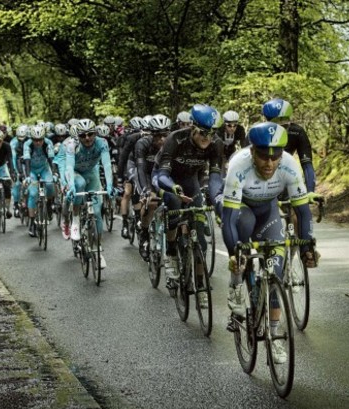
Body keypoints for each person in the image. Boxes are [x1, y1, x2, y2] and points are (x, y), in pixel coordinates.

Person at [219, 121, 316, 364]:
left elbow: (303, 212)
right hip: (241, 211)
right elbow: (229, 219)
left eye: (275, 157)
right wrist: (235, 254)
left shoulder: (289, 166)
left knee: (276, 271)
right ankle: (236, 285)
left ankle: (276, 335)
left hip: (268, 212)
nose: (270, 163)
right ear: (252, 151)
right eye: (263, 156)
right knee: (243, 234)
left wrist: (307, 248)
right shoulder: (238, 166)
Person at [154, 104, 224, 308]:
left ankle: (201, 285)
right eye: (202, 133)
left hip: (190, 180)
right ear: (192, 127)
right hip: (167, 178)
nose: (207, 138)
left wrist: (216, 199)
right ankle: (172, 253)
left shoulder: (216, 143)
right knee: (174, 204)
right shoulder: (175, 138)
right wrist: (172, 188)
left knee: (200, 236)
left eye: (211, 133)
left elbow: (214, 177)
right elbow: (163, 174)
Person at [64, 118, 114, 269]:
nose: (87, 138)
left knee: (97, 212)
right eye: (83, 135)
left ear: (95, 133)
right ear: (77, 136)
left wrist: (110, 185)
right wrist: (71, 185)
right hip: (76, 173)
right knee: (79, 185)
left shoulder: (102, 143)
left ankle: (98, 251)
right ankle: (76, 220)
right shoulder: (72, 145)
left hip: (92, 174)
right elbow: (69, 166)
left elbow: (106, 164)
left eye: (90, 134)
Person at [133, 114, 171, 260]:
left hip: (162, 174)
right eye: (158, 136)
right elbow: (141, 169)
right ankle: (144, 234)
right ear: (151, 134)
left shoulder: (172, 144)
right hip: (147, 174)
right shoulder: (142, 144)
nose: (162, 140)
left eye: (165, 135)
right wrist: (146, 190)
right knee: (152, 201)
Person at [261, 98, 316, 193]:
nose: (283, 130)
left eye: (285, 125)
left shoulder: (297, 132)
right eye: (277, 127)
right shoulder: (258, 133)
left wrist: (310, 191)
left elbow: (307, 165)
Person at [23, 125, 55, 237]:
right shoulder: (27, 145)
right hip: (31, 169)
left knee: (50, 184)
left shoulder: (48, 143)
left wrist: (55, 173)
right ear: (31, 139)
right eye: (35, 140)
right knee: (33, 193)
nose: (38, 142)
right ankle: (32, 222)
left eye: (40, 139)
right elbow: (26, 161)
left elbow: (51, 159)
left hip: (44, 168)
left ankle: (50, 204)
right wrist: (27, 176)